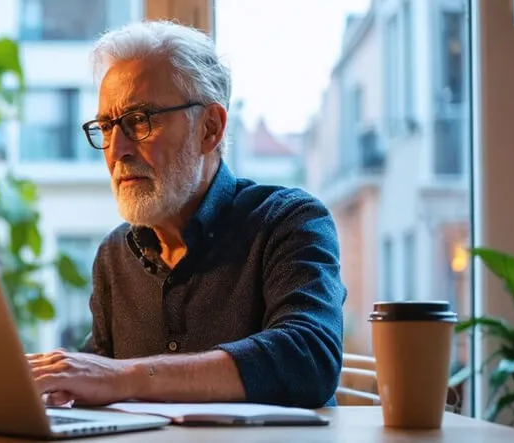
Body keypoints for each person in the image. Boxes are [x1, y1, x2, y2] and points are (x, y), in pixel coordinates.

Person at [27, 20, 346, 409]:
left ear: (209, 129)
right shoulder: (114, 255)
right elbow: (97, 378)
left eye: (139, 121)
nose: (117, 150)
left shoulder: (289, 222)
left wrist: (123, 377)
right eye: (107, 127)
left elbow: (308, 358)